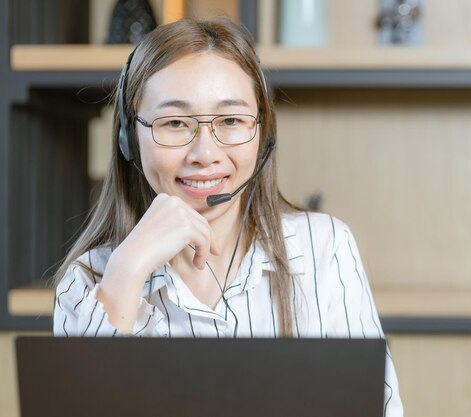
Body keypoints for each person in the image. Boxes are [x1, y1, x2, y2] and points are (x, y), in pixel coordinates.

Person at [53, 17, 403, 416]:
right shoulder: (89, 281)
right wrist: (128, 269)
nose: (204, 153)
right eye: (174, 123)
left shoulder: (324, 249)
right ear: (130, 140)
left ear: (263, 133)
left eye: (231, 120)